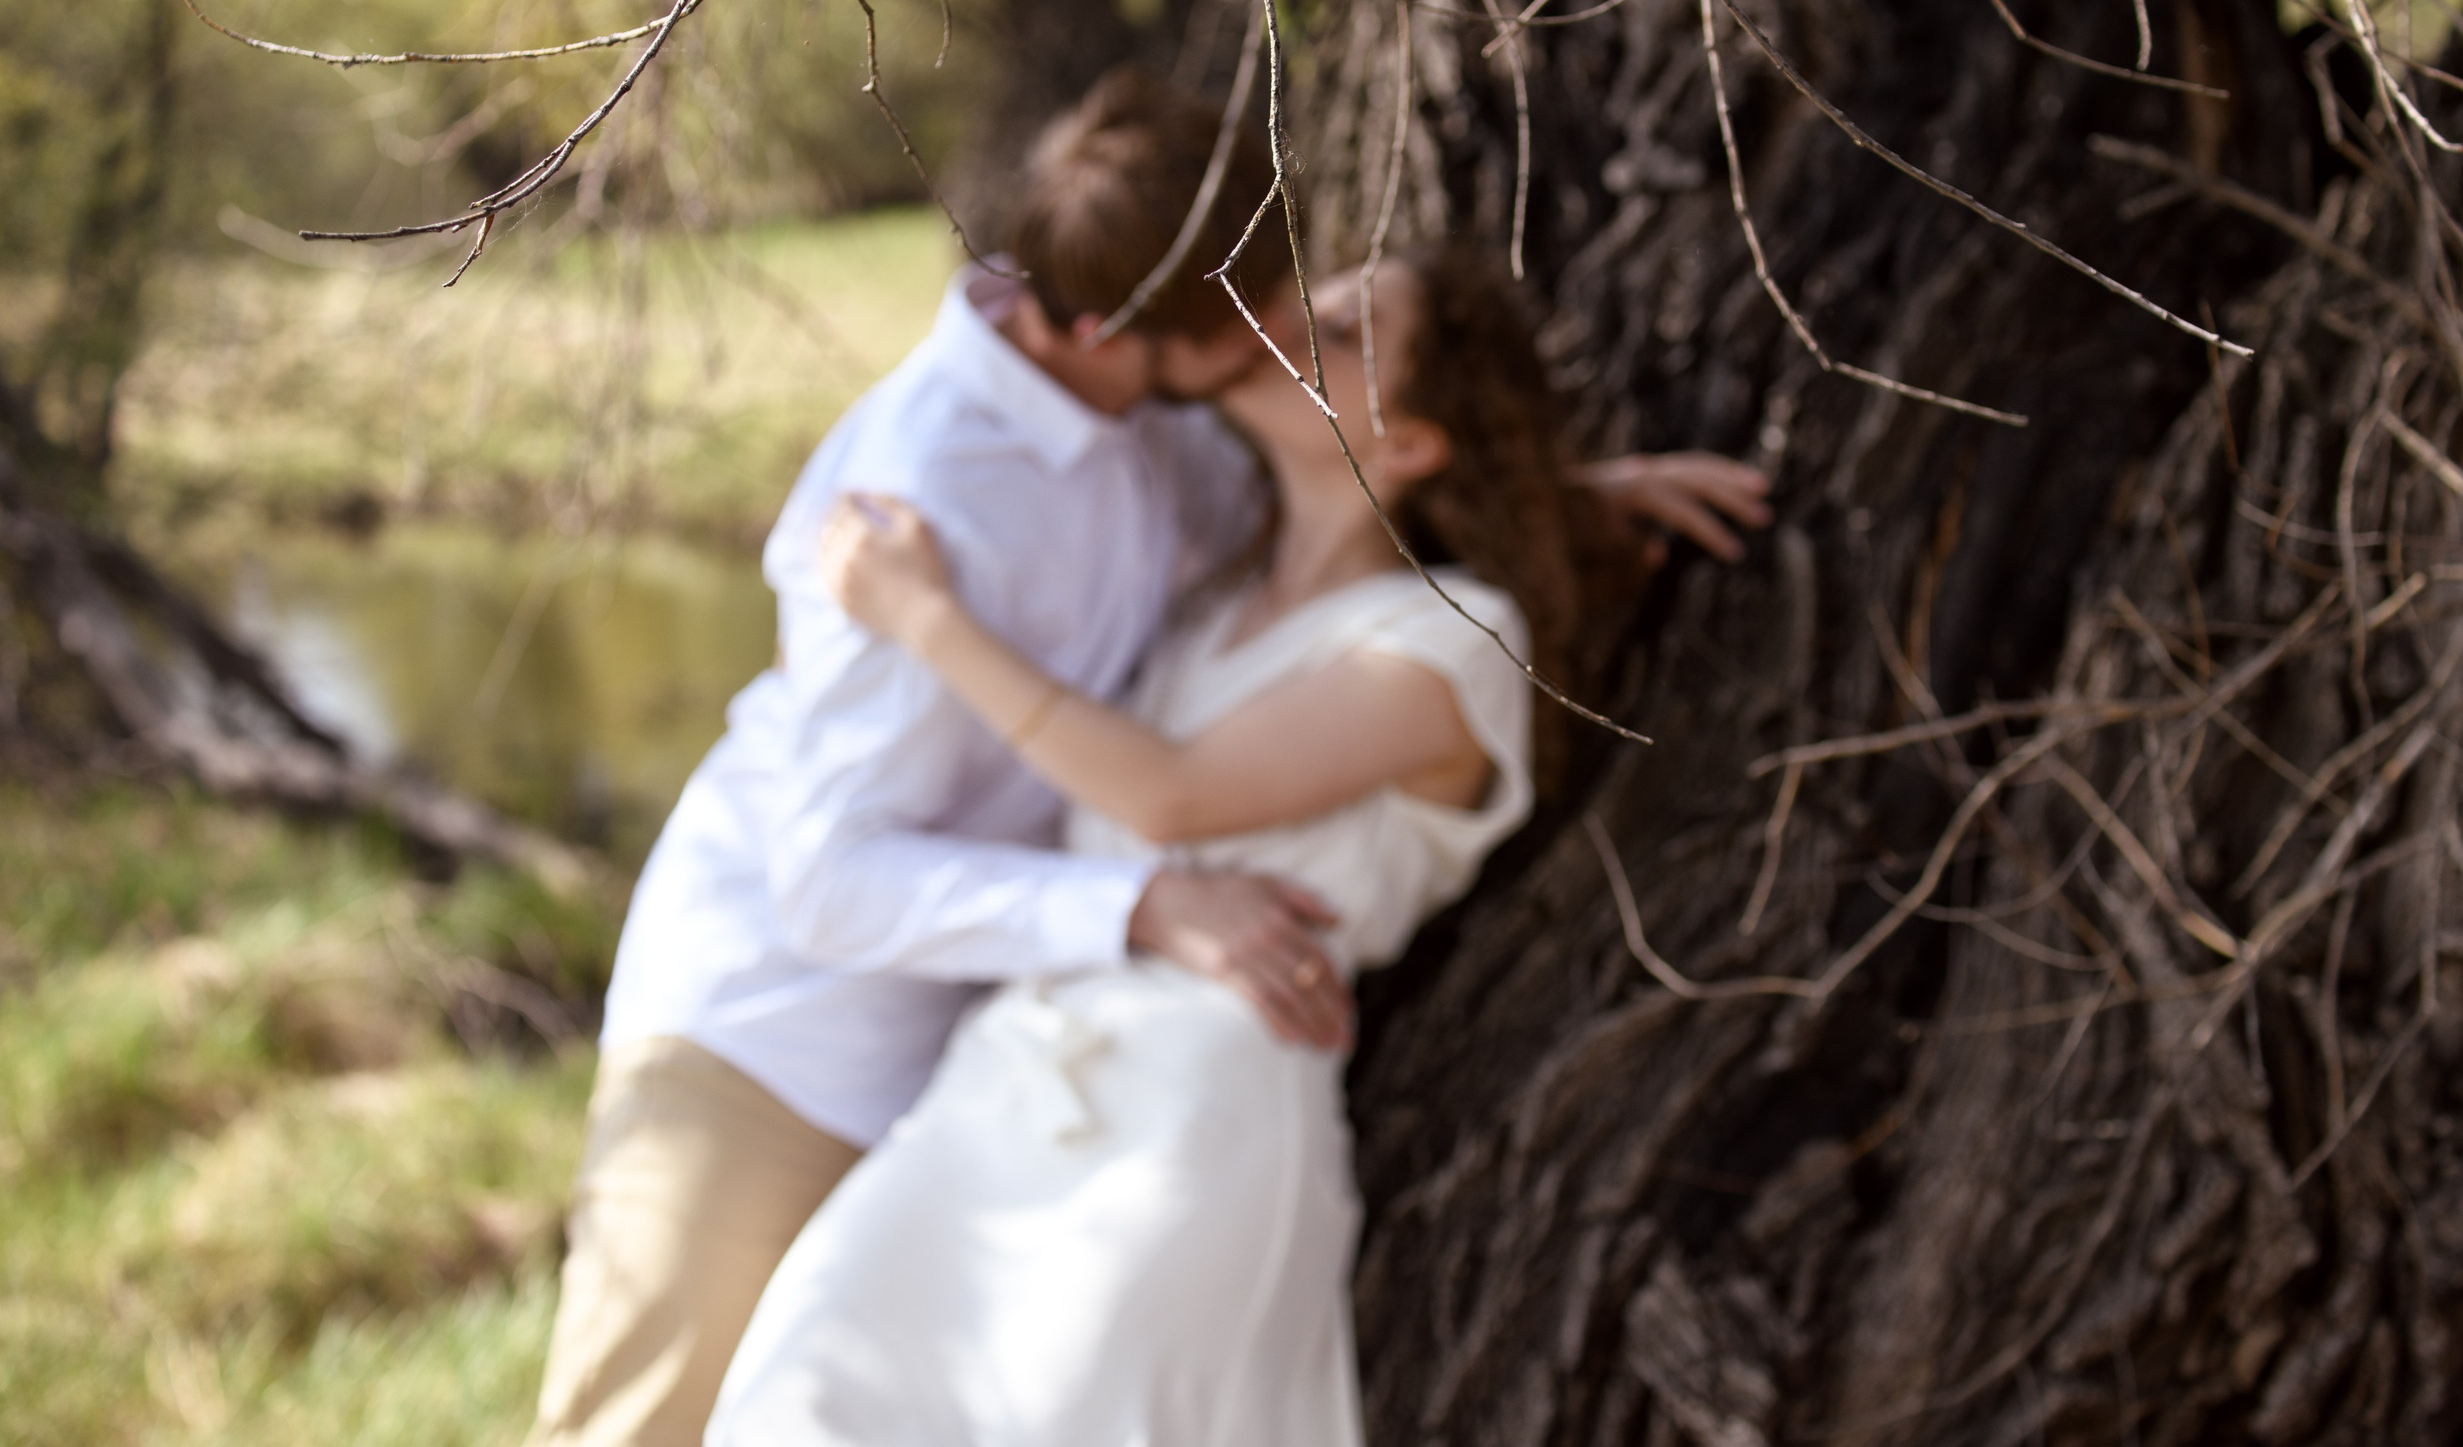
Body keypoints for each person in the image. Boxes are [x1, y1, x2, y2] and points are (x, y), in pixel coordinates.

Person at [526, 70, 1769, 1447]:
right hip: (788, 1024)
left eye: (1307, 308)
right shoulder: (915, 498)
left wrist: (1555, 498)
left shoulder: (1181, 431)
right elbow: (830, 875)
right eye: (1259, 313)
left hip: (1053, 1052)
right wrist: (1134, 898)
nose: (1281, 327)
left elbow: (1369, 532)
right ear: (1107, 329)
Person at [708, 242, 1650, 1447]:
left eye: (1356, 333)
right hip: (1006, 1074)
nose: (1302, 320)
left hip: (1188, 1118)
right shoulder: (1207, 601)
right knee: (806, 1399)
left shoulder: (1453, 641)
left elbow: (1172, 796)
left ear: (1410, 445)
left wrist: (927, 618)